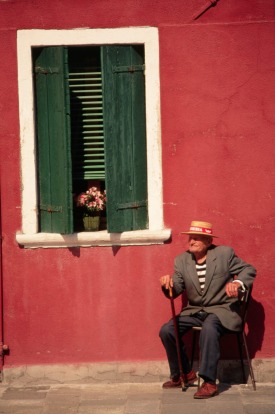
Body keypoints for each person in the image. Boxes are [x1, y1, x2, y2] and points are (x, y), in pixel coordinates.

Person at [159, 220, 256, 399]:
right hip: (195, 311)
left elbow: (248, 269)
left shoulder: (224, 254)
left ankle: (209, 382)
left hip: (222, 309)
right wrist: (168, 285)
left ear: (209, 242)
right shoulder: (181, 260)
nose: (192, 242)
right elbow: (177, 288)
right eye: (190, 238)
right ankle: (184, 373)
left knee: (210, 327)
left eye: (197, 239)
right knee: (167, 330)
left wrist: (237, 282)